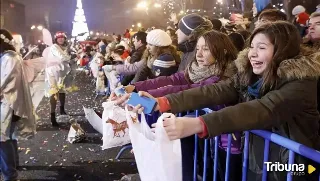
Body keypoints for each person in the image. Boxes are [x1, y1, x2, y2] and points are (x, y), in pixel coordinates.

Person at [117, 22, 320, 181]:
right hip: (260, 161)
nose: (253, 54)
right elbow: (212, 92)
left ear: (282, 50)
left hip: (296, 166)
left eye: (262, 47)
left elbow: (264, 108)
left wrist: (199, 123)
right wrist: (161, 102)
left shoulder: (301, 83)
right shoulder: (250, 75)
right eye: (252, 47)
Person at [118, 30, 240, 181]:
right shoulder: (195, 68)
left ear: (223, 51)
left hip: (225, 141)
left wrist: (159, 100)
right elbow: (172, 80)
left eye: (206, 49)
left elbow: (188, 90)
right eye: (198, 48)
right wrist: (135, 87)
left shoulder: (225, 76)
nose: (199, 54)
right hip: (210, 137)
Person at [0, 29, 36, 181]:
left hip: (8, 104)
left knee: (3, 138)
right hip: (9, 103)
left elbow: (6, 82)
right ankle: (13, 166)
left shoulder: (10, 59)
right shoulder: (9, 57)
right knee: (9, 136)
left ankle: (10, 174)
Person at [45, 31, 72, 127]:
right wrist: (69, 56)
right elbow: (62, 58)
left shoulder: (64, 47)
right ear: (55, 39)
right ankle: (52, 116)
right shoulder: (54, 47)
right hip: (53, 73)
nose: (61, 39)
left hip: (61, 73)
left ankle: (62, 109)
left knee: (62, 91)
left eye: (62, 37)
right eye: (58, 37)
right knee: (54, 93)